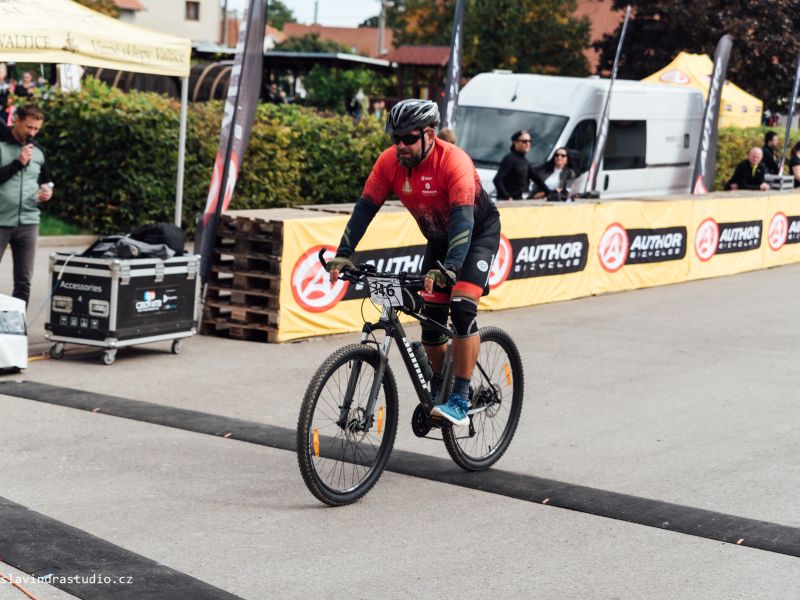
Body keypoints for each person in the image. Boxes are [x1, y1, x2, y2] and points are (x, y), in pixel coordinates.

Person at [326, 99, 501, 427]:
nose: (400, 146)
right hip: (439, 240)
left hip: (477, 236)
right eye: (396, 139)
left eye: (408, 138)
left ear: (430, 135)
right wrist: (344, 252)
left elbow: (463, 221)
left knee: (462, 307)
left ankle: (460, 398)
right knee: (431, 323)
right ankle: (441, 384)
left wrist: (450, 268)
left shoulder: (454, 162)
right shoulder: (389, 162)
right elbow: (365, 209)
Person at [0, 105, 53, 305]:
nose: (32, 133)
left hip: (29, 222)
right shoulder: (1, 146)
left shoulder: (38, 152)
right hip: (1, 220)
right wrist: (18, 163)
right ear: (17, 121)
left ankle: (18, 323)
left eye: (36, 129)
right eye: (29, 127)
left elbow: (46, 181)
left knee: (24, 281)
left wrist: (47, 192)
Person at [492, 130, 545, 199]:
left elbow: (536, 179)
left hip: (519, 200)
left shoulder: (525, 161)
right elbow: (497, 179)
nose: (528, 144)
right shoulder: (509, 158)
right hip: (508, 202)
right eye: (524, 141)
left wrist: (549, 192)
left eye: (530, 141)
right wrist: (507, 197)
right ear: (515, 142)